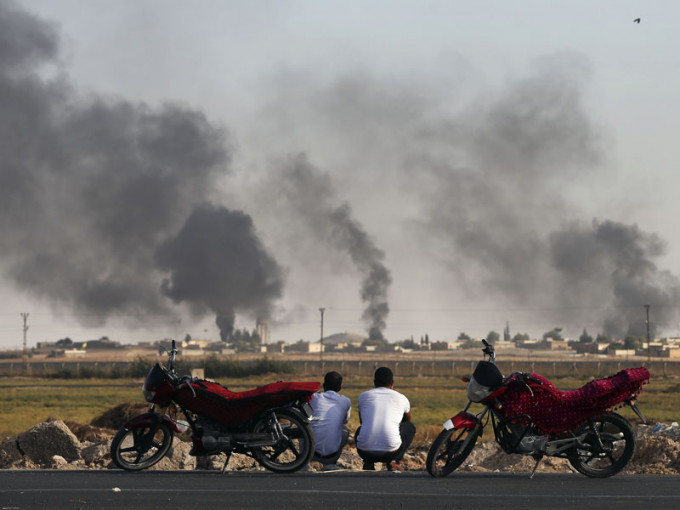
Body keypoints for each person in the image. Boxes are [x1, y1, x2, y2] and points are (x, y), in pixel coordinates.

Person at [355, 366, 415, 471]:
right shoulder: (401, 398)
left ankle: (368, 462)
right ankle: (394, 461)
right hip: (391, 453)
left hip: (365, 452)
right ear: (392, 382)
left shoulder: (363, 396)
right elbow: (408, 419)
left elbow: (362, 421)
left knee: (360, 429)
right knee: (410, 427)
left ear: (374, 382)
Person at [309, 371, 351, 471]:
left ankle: (303, 464)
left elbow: (307, 415)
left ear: (323, 386)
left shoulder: (314, 398)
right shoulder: (345, 401)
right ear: (340, 388)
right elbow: (345, 421)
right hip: (330, 455)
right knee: (345, 430)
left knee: (304, 425)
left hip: (310, 453)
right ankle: (331, 463)